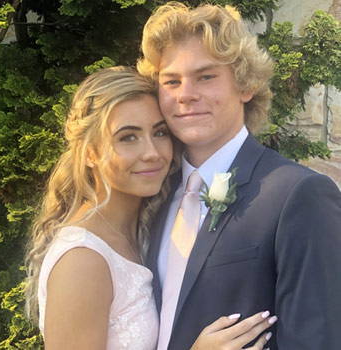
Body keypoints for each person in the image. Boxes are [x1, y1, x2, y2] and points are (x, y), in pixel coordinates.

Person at [25, 66, 276, 350]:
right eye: (128, 137)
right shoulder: (83, 260)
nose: (152, 153)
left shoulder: (149, 229)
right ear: (91, 152)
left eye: (159, 133)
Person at [137, 2, 341, 350]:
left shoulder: (300, 195)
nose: (186, 94)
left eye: (206, 76)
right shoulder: (153, 193)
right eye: (171, 81)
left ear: (245, 86)